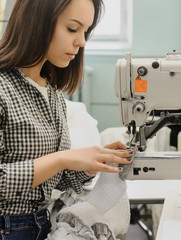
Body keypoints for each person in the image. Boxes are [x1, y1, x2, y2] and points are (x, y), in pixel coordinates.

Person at [0, 0, 133, 239]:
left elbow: (54, 182)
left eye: (85, 31)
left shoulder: (52, 93)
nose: (82, 42)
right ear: (36, 23)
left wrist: (93, 163)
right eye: (73, 29)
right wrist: (62, 158)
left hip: (41, 225)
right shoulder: (2, 88)